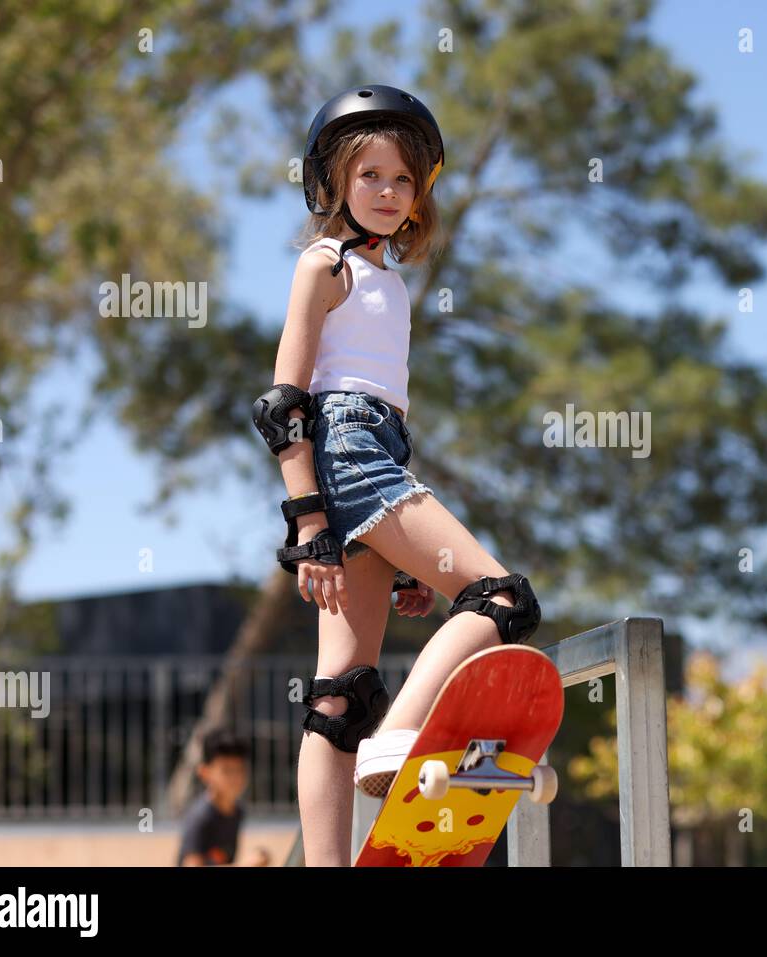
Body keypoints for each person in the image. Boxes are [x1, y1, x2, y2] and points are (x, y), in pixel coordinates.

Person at [250, 84, 543, 866]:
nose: (388, 192)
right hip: (348, 453)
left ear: (421, 196)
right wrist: (309, 523)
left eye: (404, 180)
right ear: (334, 181)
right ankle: (404, 735)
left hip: (378, 453)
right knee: (502, 597)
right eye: (371, 175)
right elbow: (284, 403)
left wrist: (402, 557)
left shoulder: (391, 281)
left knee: (338, 694)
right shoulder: (325, 263)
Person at [177, 728, 270, 867]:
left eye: (240, 769)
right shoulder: (200, 817)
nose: (235, 777)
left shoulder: (237, 812)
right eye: (226, 770)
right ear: (204, 773)